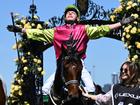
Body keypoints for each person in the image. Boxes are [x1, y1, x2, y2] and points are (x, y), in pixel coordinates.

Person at [7, 4, 134, 96]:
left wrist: (120, 24)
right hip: (61, 66)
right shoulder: (56, 31)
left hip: (79, 64)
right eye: (68, 12)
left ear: (77, 18)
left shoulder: (85, 29)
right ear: (65, 17)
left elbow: (102, 29)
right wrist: (21, 30)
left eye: (73, 12)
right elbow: (39, 33)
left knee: (90, 87)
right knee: (45, 89)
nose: (70, 13)